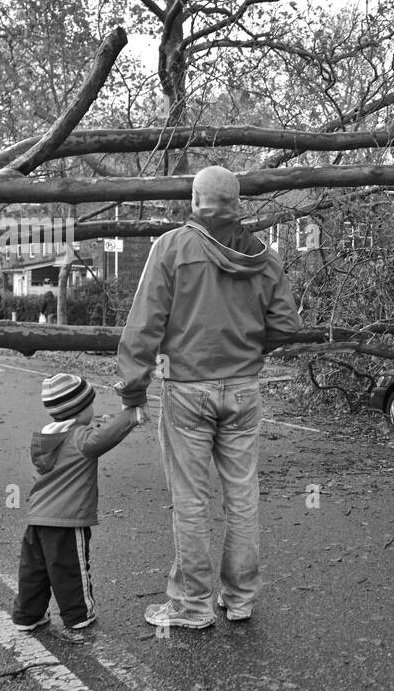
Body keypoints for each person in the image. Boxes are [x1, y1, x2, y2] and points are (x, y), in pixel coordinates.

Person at [117, 165, 301, 629]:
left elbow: (144, 325)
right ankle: (239, 600)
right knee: (242, 497)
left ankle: (192, 606)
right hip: (243, 391)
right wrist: (248, 351)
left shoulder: (172, 247)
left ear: (195, 200)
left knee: (191, 499)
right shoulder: (265, 256)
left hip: (185, 391)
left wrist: (134, 387)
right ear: (237, 204)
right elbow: (286, 326)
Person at [13, 373, 141, 632]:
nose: (93, 411)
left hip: (38, 519)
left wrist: (98, 424)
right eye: (90, 405)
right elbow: (104, 438)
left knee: (34, 571)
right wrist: (132, 415)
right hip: (67, 519)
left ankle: (27, 615)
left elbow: (85, 434)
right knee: (69, 568)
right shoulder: (81, 440)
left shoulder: (47, 439)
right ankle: (78, 614)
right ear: (79, 410)